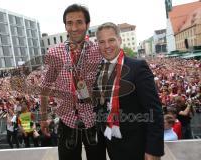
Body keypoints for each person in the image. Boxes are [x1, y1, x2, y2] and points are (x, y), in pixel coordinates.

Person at [93, 22, 164, 160]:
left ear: (119, 40)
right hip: (112, 145)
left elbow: (154, 110)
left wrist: (153, 150)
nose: (107, 46)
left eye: (111, 40)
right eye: (102, 42)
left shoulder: (138, 67)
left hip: (137, 146)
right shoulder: (97, 71)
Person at [39, 4, 101, 160]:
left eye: (79, 22)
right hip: (67, 120)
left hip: (94, 120)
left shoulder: (98, 50)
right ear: (65, 26)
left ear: (87, 24)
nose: (74, 28)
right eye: (69, 23)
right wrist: (43, 116)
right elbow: (45, 87)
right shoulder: (54, 52)